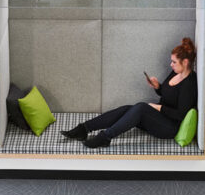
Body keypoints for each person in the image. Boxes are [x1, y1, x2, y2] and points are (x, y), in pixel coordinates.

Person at [62, 38, 197, 148]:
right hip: (159, 118)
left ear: (185, 62)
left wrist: (159, 107)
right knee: (128, 109)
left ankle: (105, 137)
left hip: (169, 128)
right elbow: (167, 95)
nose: (170, 64)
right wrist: (157, 87)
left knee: (141, 107)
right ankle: (84, 129)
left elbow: (181, 115)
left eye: (174, 62)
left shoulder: (189, 84)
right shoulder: (175, 72)